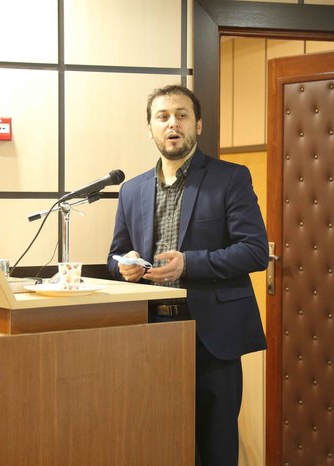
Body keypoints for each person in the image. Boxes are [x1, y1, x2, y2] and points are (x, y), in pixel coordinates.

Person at [107, 84, 268, 465]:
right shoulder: (131, 190)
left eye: (181, 115)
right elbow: (115, 255)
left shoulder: (230, 178)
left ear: (198, 124)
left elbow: (254, 251)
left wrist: (189, 263)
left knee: (216, 447)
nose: (172, 124)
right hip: (150, 334)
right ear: (150, 128)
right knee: (158, 444)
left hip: (211, 334)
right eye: (162, 117)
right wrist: (124, 265)